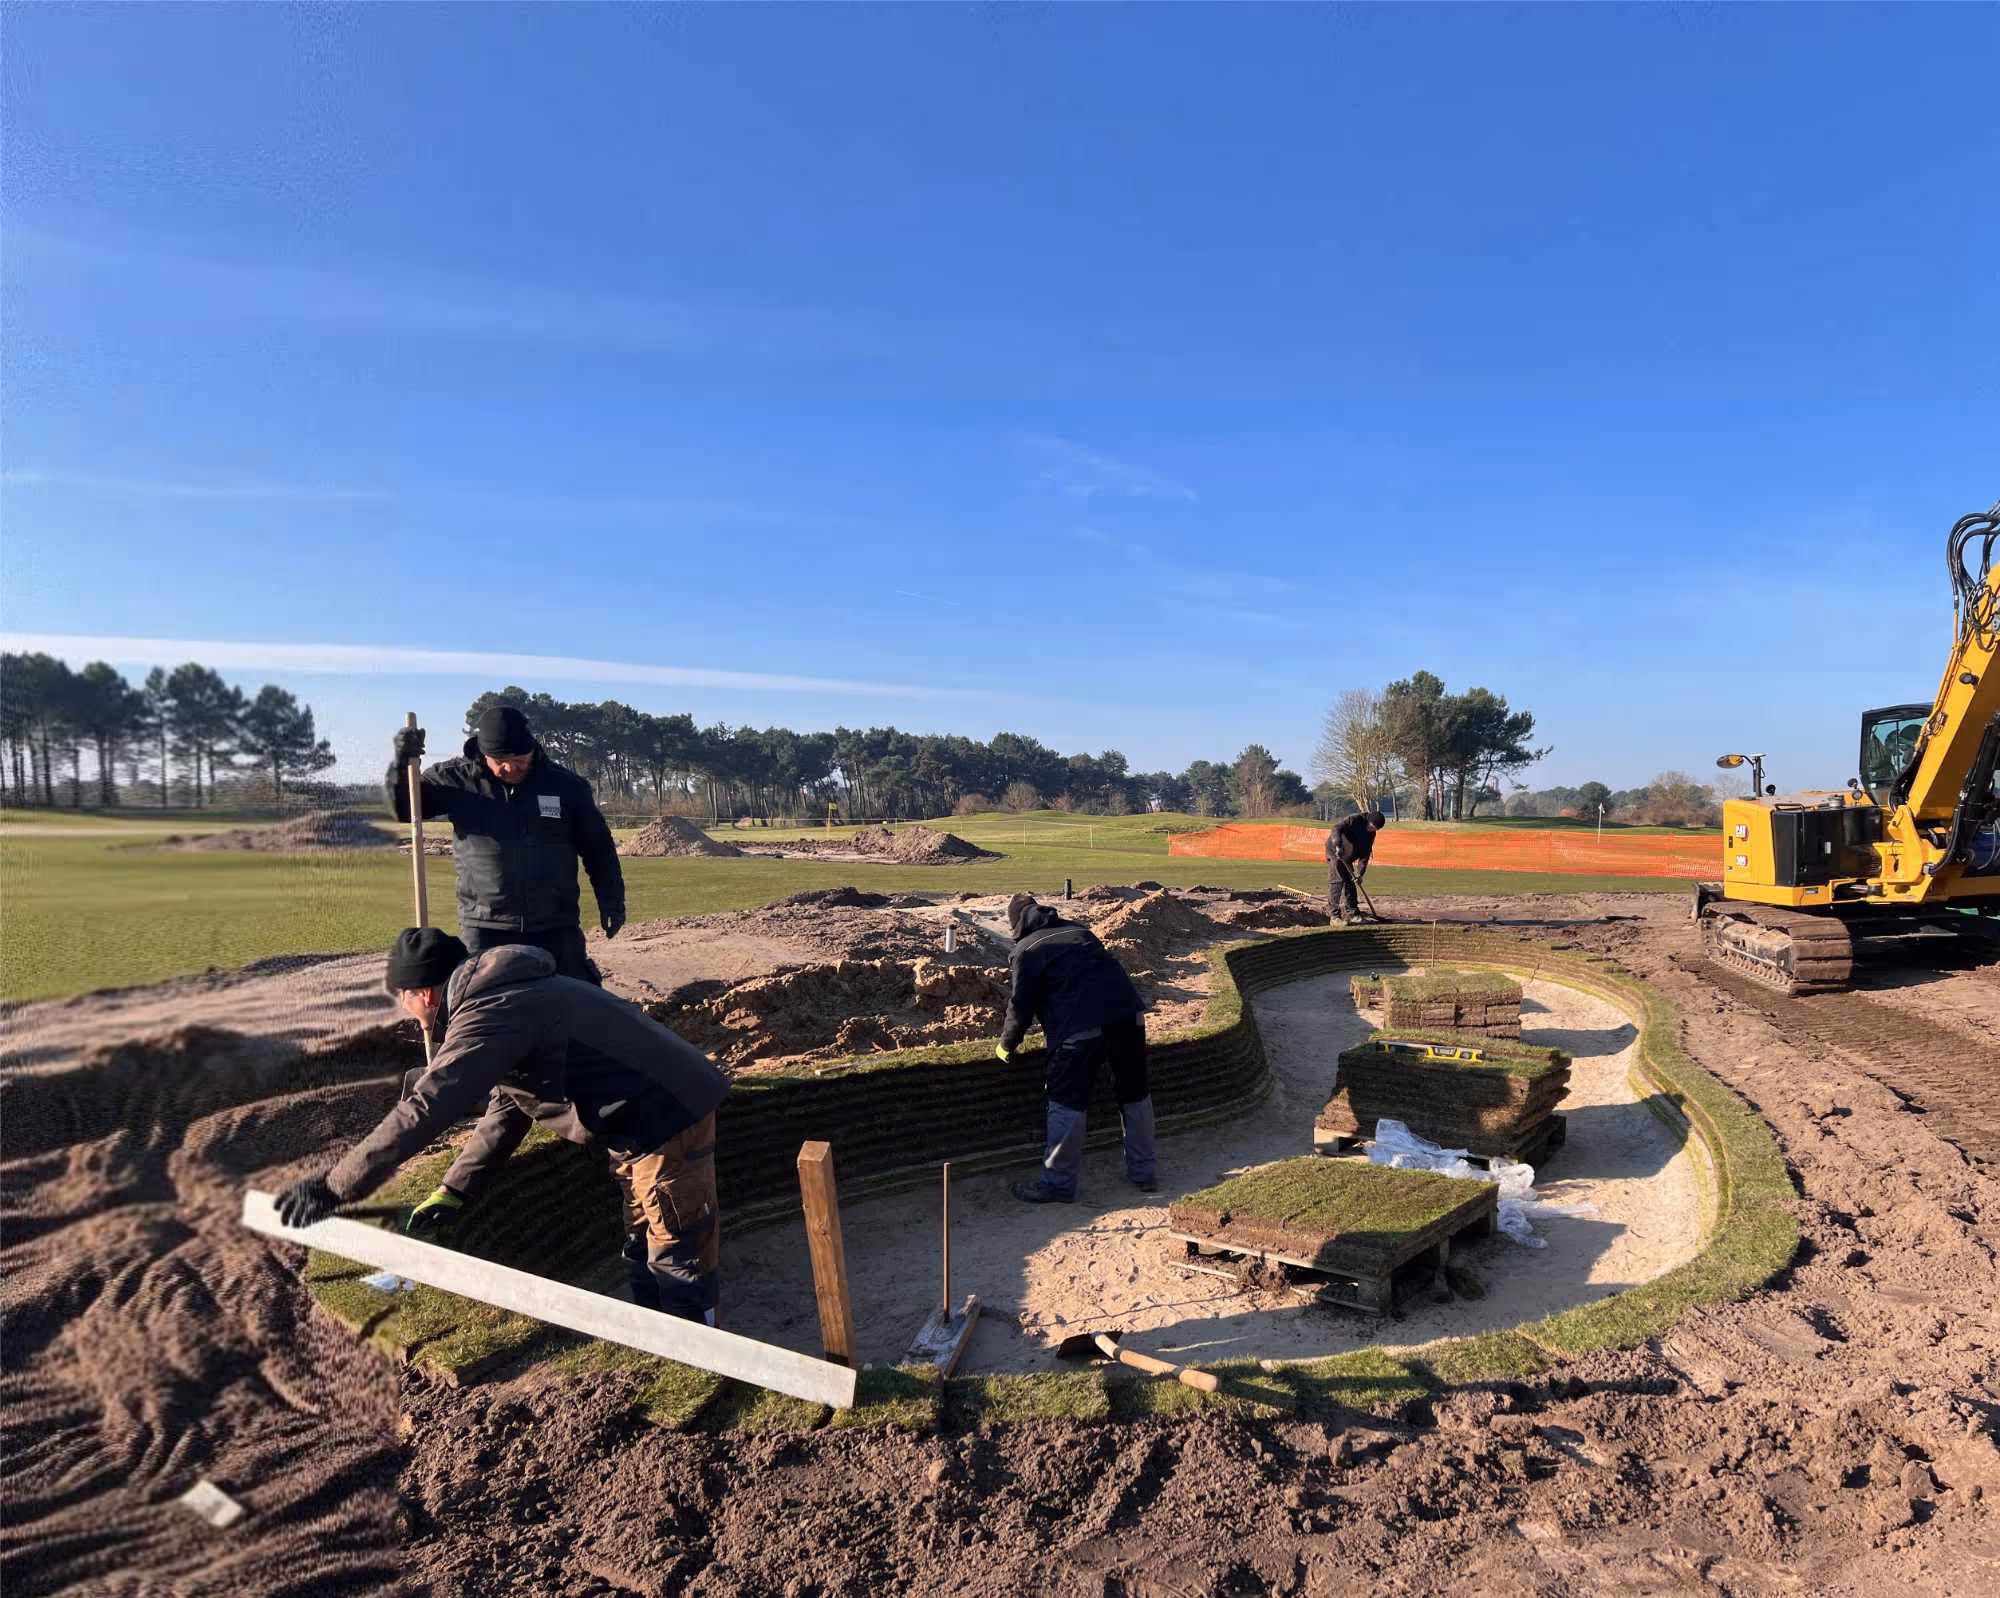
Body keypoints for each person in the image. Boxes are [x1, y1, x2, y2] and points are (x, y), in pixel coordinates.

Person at [274, 927, 729, 1325]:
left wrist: (335, 1187)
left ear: (425, 995)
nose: (405, 1010)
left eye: (403, 998)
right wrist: (454, 1191)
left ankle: (700, 1351)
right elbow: (508, 1108)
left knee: (675, 1246)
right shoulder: (504, 998)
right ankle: (654, 1335)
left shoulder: (490, 1011)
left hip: (664, 1117)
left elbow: (427, 1107)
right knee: (643, 1235)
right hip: (642, 1123)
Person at [389, 705, 625, 983]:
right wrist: (402, 763)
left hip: (555, 923)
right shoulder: (454, 780)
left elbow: (598, 849)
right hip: (485, 925)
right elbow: (406, 809)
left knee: (574, 1002)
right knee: (487, 1008)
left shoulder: (567, 786)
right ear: (482, 752)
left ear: (533, 749)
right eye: (500, 759)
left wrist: (612, 900)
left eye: (520, 759)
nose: (511, 767)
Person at [995, 893, 1156, 1203]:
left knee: (1066, 1101)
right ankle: (1145, 1173)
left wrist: (1006, 1045)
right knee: (1134, 1094)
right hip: (1128, 1017)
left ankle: (1057, 1183)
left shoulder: (1025, 950)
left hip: (1079, 1028)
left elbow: (1020, 1006)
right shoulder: (1080, 931)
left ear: (1015, 922)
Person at [1327, 810, 1387, 924]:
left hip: (1348, 858)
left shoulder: (1371, 835)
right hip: (1335, 851)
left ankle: (1353, 914)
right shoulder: (1354, 820)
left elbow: (1365, 856)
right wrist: (1337, 844)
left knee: (1351, 882)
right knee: (1337, 880)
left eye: (1376, 829)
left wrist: (1360, 874)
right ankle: (1334, 917)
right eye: (1372, 827)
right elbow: (1336, 828)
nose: (1373, 830)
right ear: (1368, 821)